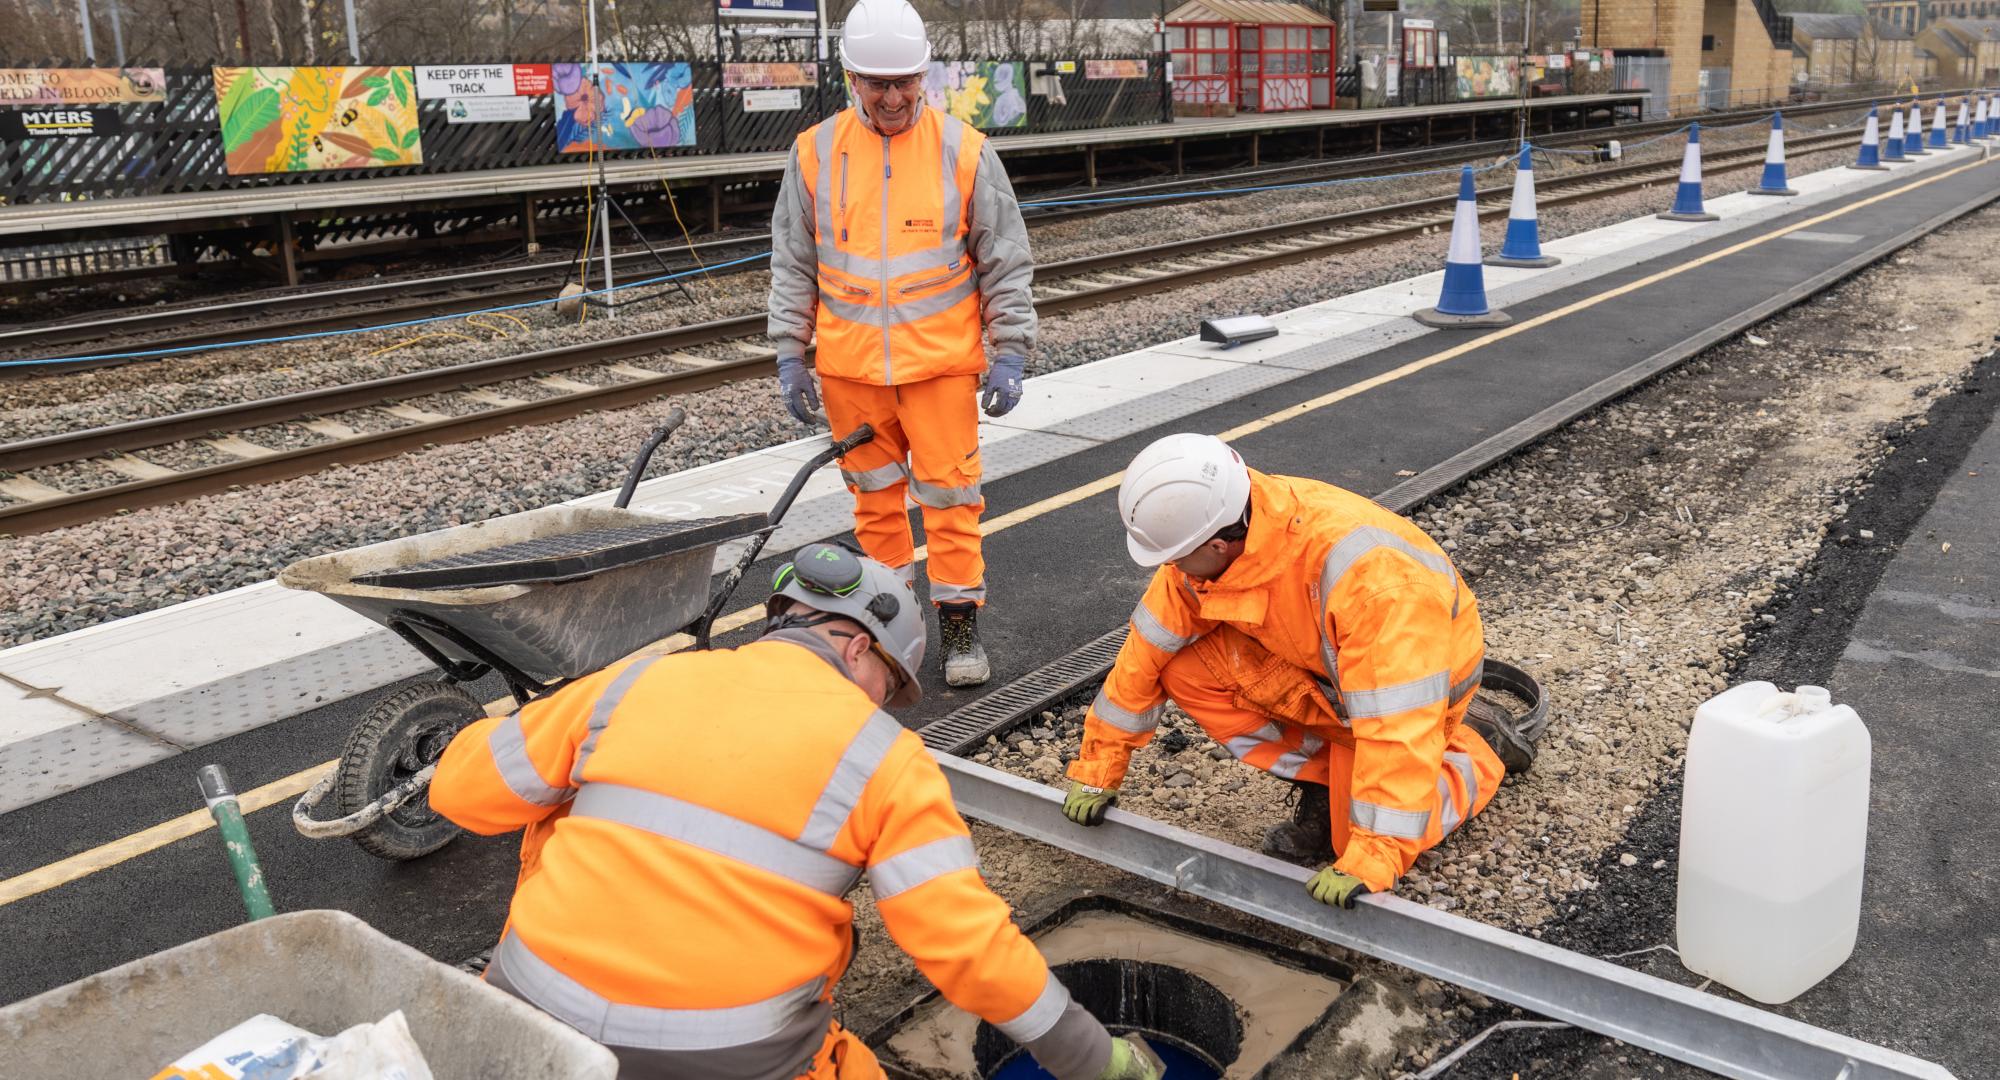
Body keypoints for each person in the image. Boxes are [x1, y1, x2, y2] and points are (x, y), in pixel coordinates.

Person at [430, 543, 1158, 1080]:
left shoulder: (638, 680)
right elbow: (965, 944)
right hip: (731, 1063)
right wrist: (1095, 1057)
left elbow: (460, 794)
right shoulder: (887, 760)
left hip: (524, 1019)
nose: (880, 703)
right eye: (889, 684)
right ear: (860, 650)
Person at [1059, 434, 1540, 908]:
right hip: (1330, 673)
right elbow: (1145, 653)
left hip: (1410, 688)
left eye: (1175, 555)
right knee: (1182, 668)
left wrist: (1376, 853)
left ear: (1219, 544)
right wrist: (1099, 765)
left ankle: (1473, 752)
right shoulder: (1220, 532)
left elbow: (1395, 725)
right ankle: (1328, 780)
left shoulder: (1375, 585)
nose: (1169, 567)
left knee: (1360, 832)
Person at [767, 0, 1038, 689]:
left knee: (952, 505)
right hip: (851, 372)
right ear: (851, 79)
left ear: (924, 75)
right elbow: (794, 263)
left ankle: (958, 631)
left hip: (941, 369)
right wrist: (790, 355)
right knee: (875, 508)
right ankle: (892, 626)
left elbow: (1005, 259)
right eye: (876, 83)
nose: (891, 98)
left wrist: (1011, 350)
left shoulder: (965, 151)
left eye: (904, 83)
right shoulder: (814, 153)